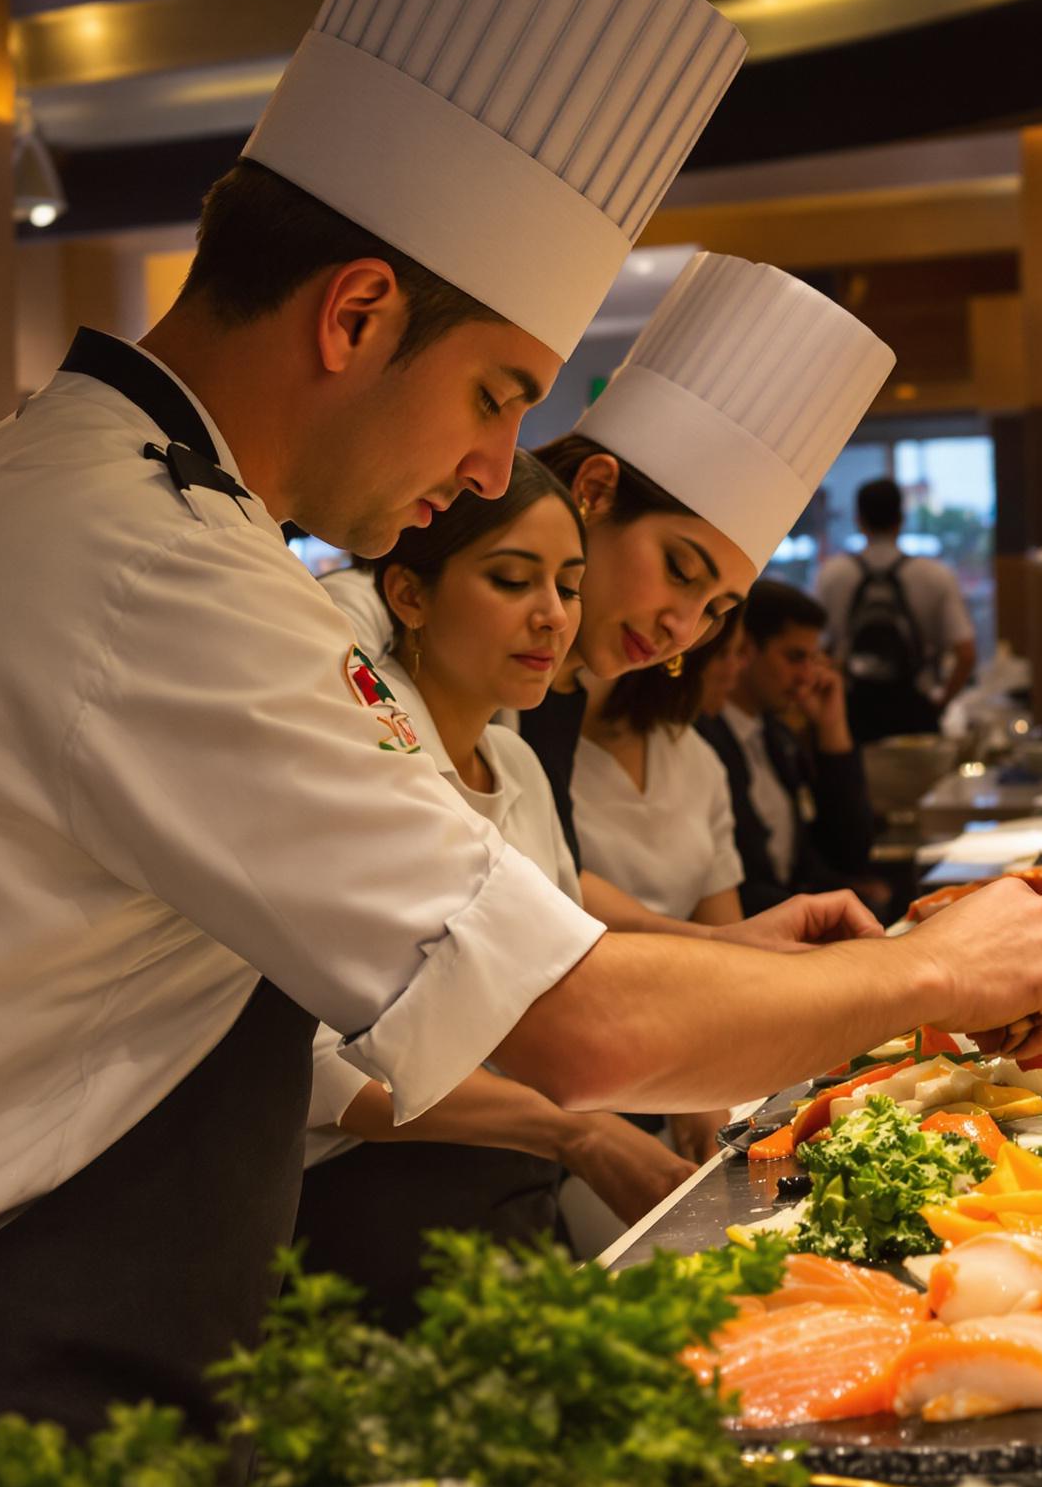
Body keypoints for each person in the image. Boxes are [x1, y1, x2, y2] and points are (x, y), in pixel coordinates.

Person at [0, 0, 1042, 1487]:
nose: (500, 460)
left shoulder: (1, 486)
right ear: (359, 313)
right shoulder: (155, 569)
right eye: (499, 392)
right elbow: (577, 1027)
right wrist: (935, 968)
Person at [297, 452, 693, 1329]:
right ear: (408, 596)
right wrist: (573, 1131)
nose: (552, 617)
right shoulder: (365, 775)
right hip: (371, 1218)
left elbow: (568, 975)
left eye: (570, 585)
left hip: (514, 1188)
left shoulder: (514, 762)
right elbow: (321, 1072)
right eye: (513, 580)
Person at [696, 578, 875, 916]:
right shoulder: (702, 739)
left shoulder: (777, 737)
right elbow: (744, 887)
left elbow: (851, 852)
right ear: (745, 651)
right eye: (795, 658)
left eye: (814, 659)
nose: (808, 676)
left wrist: (832, 728)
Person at [573, 613, 748, 926]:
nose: (683, 628)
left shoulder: (691, 753)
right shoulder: (520, 735)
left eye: (713, 608)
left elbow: (724, 925)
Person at [816, 476, 977, 742]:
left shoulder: (832, 574)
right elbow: (966, 653)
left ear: (859, 520)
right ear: (901, 519)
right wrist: (942, 701)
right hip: (916, 709)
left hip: (853, 712)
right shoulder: (934, 575)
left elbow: (818, 650)